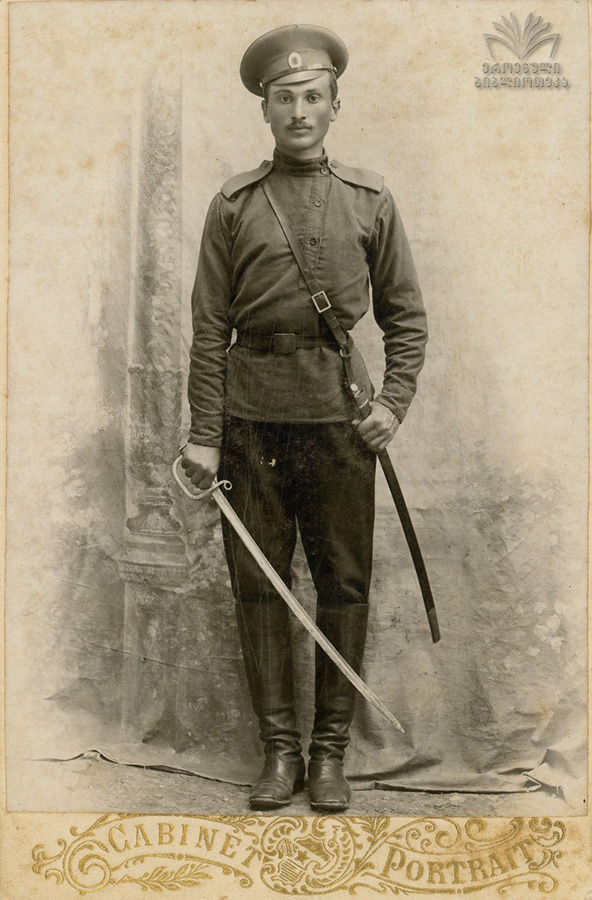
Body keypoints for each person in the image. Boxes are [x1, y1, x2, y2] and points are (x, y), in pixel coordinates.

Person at [181, 24, 427, 812]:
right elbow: (208, 329)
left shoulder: (370, 199)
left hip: (339, 424)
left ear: (333, 105)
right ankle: (279, 752)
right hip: (250, 423)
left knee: (343, 586)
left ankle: (329, 756)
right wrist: (205, 435)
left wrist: (392, 403)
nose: (298, 111)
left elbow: (406, 318)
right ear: (265, 108)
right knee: (259, 588)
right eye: (284, 98)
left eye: (312, 97)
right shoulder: (233, 204)